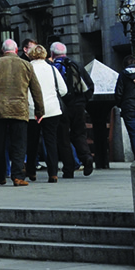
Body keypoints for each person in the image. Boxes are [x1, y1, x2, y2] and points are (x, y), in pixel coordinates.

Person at [0, 38, 45, 186]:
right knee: (19, 144)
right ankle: (18, 176)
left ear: (3, 51)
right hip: (19, 109)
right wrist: (39, 110)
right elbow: (36, 89)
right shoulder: (26, 65)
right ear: (16, 50)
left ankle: (0, 175)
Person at [24, 43, 66, 182]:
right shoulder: (52, 69)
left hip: (32, 109)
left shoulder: (27, 68)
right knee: (51, 141)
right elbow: (63, 90)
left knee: (32, 142)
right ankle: (53, 173)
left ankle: (31, 171)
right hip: (52, 109)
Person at [51, 42, 94, 176]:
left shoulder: (53, 68)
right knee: (79, 134)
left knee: (63, 138)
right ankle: (86, 157)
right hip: (78, 105)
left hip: (61, 106)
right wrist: (82, 101)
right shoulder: (77, 65)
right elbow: (90, 85)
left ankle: (68, 169)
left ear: (52, 54)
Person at [86, 58, 121, 169]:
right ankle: (103, 162)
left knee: (99, 130)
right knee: (100, 130)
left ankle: (101, 161)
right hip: (101, 108)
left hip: (94, 106)